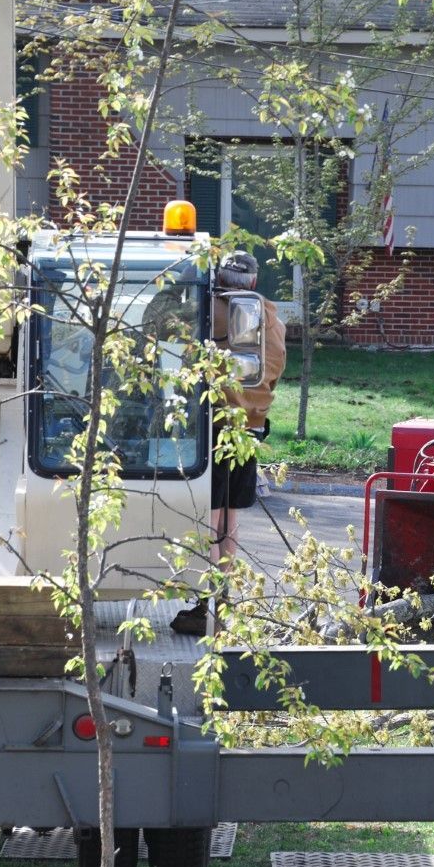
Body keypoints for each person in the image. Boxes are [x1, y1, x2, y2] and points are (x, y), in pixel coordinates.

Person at [172, 251, 287, 634]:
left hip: (213, 427)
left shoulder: (207, 310)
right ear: (253, 282)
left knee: (209, 518)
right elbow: (275, 373)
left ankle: (205, 607)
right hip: (250, 430)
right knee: (230, 520)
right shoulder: (271, 318)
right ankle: (224, 603)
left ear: (218, 278)